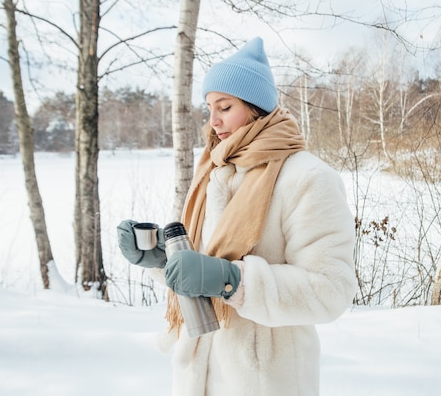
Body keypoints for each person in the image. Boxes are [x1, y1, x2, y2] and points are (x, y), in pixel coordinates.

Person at [117, 37, 356, 396]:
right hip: (198, 378)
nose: (213, 121)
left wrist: (233, 281)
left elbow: (331, 288)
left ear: (256, 107)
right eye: (209, 108)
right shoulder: (215, 174)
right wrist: (161, 260)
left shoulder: (307, 177)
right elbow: (201, 269)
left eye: (225, 107)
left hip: (265, 381)